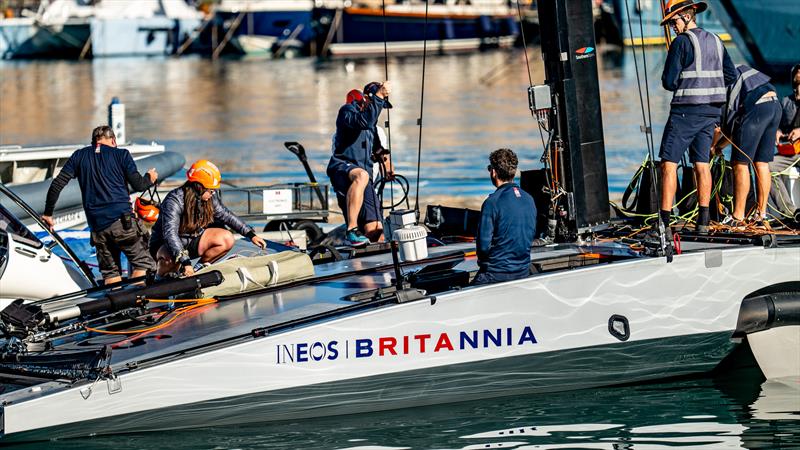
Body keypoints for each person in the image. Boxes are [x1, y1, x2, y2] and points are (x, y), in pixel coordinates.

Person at [657, 0, 736, 237]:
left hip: (685, 112)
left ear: (687, 16)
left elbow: (669, 82)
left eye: (674, 22)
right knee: (701, 164)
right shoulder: (716, 40)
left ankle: (663, 224)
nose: (673, 27)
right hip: (710, 113)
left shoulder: (681, 42)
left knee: (668, 163)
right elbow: (731, 75)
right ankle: (703, 221)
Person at [43, 126, 158, 285]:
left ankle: (118, 307)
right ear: (113, 140)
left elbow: (57, 184)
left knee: (111, 273)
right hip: (122, 223)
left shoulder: (79, 156)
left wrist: (48, 213)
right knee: (142, 264)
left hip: (98, 228)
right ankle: (136, 303)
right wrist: (149, 178)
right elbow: (139, 185)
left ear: (93, 141)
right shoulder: (121, 154)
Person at [149, 160, 266, 277]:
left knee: (226, 238)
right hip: (165, 243)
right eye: (211, 190)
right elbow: (170, 234)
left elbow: (226, 216)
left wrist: (250, 234)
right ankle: (159, 278)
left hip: (192, 240)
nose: (213, 193)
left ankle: (198, 270)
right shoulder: (174, 200)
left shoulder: (210, 198)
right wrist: (185, 261)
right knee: (170, 260)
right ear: (199, 187)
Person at [714, 64, 781, 225]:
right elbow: (732, 130)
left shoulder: (717, 83)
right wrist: (719, 147)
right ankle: (761, 215)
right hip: (774, 103)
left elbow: (720, 130)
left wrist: (713, 147)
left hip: (755, 107)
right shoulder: (732, 69)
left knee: (739, 163)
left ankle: (738, 217)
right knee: (761, 163)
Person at [327, 81, 392, 246]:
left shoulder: (372, 128)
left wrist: (388, 166)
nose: (380, 110)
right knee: (361, 175)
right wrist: (379, 96)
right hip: (342, 168)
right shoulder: (347, 111)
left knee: (376, 230)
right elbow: (364, 121)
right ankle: (351, 230)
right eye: (379, 104)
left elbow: (379, 150)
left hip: (365, 177)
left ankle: (372, 265)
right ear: (367, 99)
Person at [472, 148, 536, 286]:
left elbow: (483, 248)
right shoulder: (529, 199)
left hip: (495, 275)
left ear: (494, 172)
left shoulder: (492, 203)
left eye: (490, 168)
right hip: (523, 271)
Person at [769, 63, 800, 220]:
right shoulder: (786, 101)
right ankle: (790, 212)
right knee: (766, 167)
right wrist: (777, 131)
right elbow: (778, 124)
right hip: (790, 153)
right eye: (796, 82)